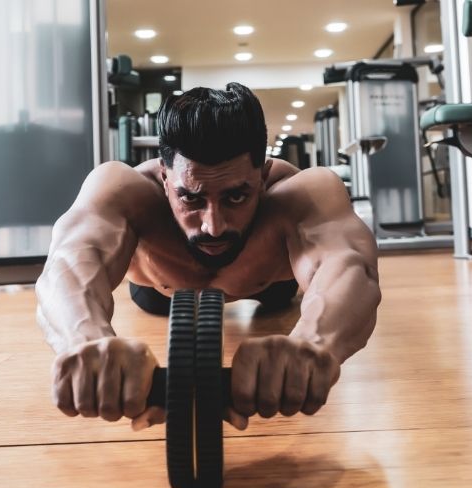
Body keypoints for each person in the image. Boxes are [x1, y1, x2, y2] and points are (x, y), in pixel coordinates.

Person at [36, 82, 381, 432]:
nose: (213, 227)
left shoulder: (303, 192)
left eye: (235, 198)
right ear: (165, 178)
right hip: (161, 295)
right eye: (191, 199)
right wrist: (88, 342)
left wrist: (314, 344)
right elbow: (66, 264)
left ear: (262, 178)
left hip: (269, 291)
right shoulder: (123, 189)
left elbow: (351, 269)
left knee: (283, 302)